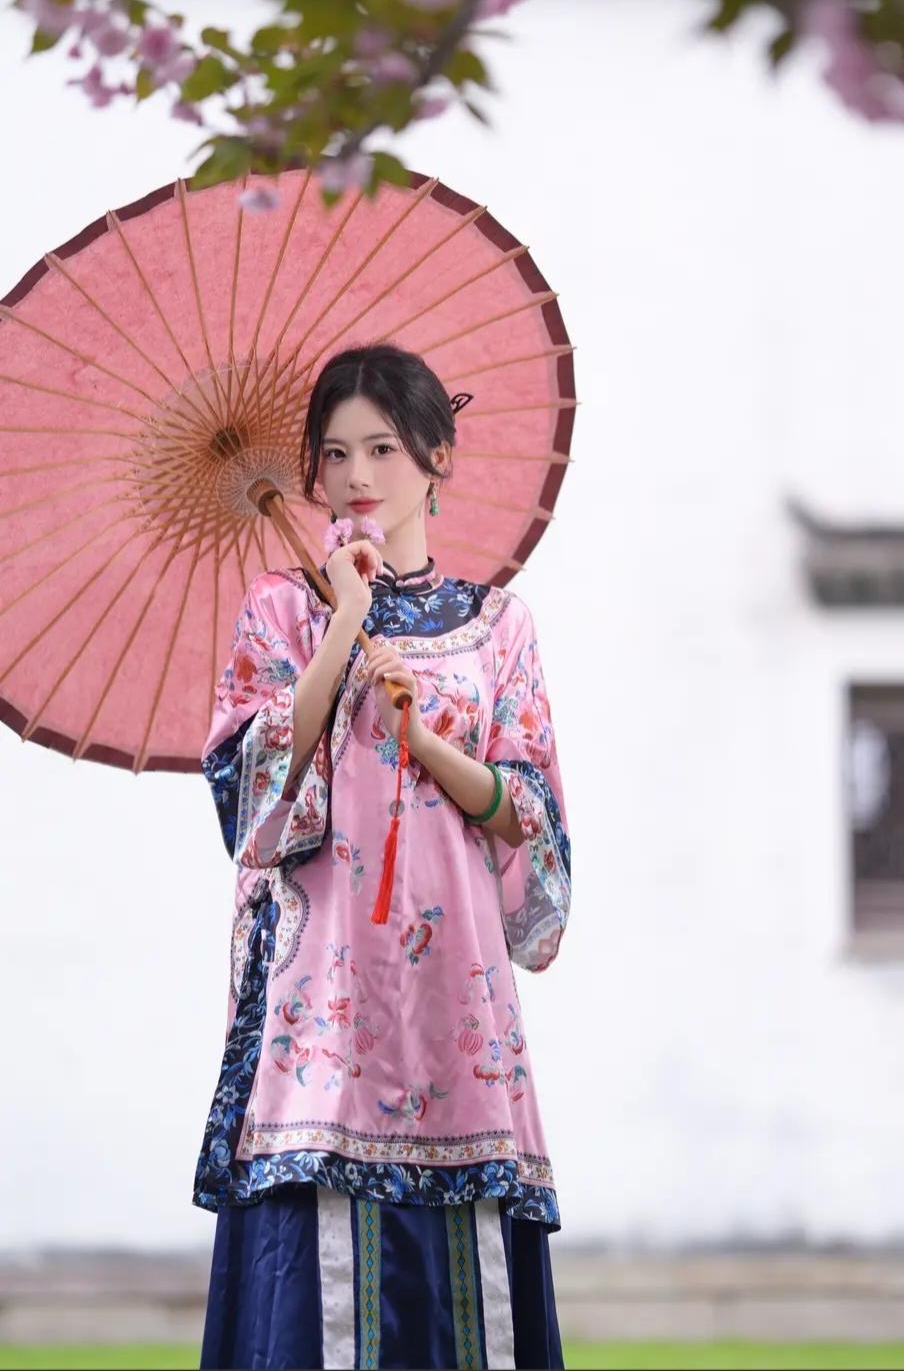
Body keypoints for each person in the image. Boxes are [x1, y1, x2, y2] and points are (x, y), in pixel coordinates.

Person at [196, 342, 572, 1371]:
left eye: (383, 448)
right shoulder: (282, 610)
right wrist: (344, 627)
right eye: (335, 454)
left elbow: (532, 823)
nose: (357, 475)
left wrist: (429, 745)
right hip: (322, 1016)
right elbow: (249, 800)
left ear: (438, 457)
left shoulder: (500, 629)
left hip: (459, 1006)